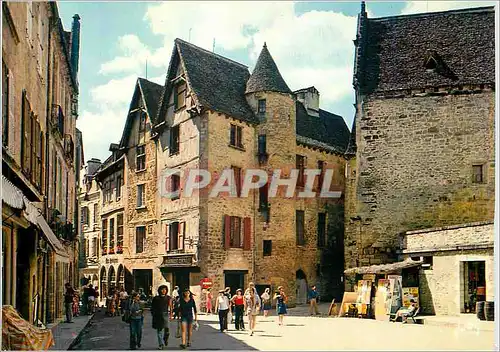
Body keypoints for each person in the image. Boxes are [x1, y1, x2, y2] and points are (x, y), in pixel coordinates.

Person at [151, 285, 173, 350]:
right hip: (158, 315)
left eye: (165, 289)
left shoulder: (168, 298)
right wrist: (153, 314)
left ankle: (165, 339)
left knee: (167, 330)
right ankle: (161, 344)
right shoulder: (156, 298)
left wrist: (171, 315)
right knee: (159, 330)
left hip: (165, 314)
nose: (163, 291)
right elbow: (152, 307)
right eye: (162, 289)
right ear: (159, 290)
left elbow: (171, 307)